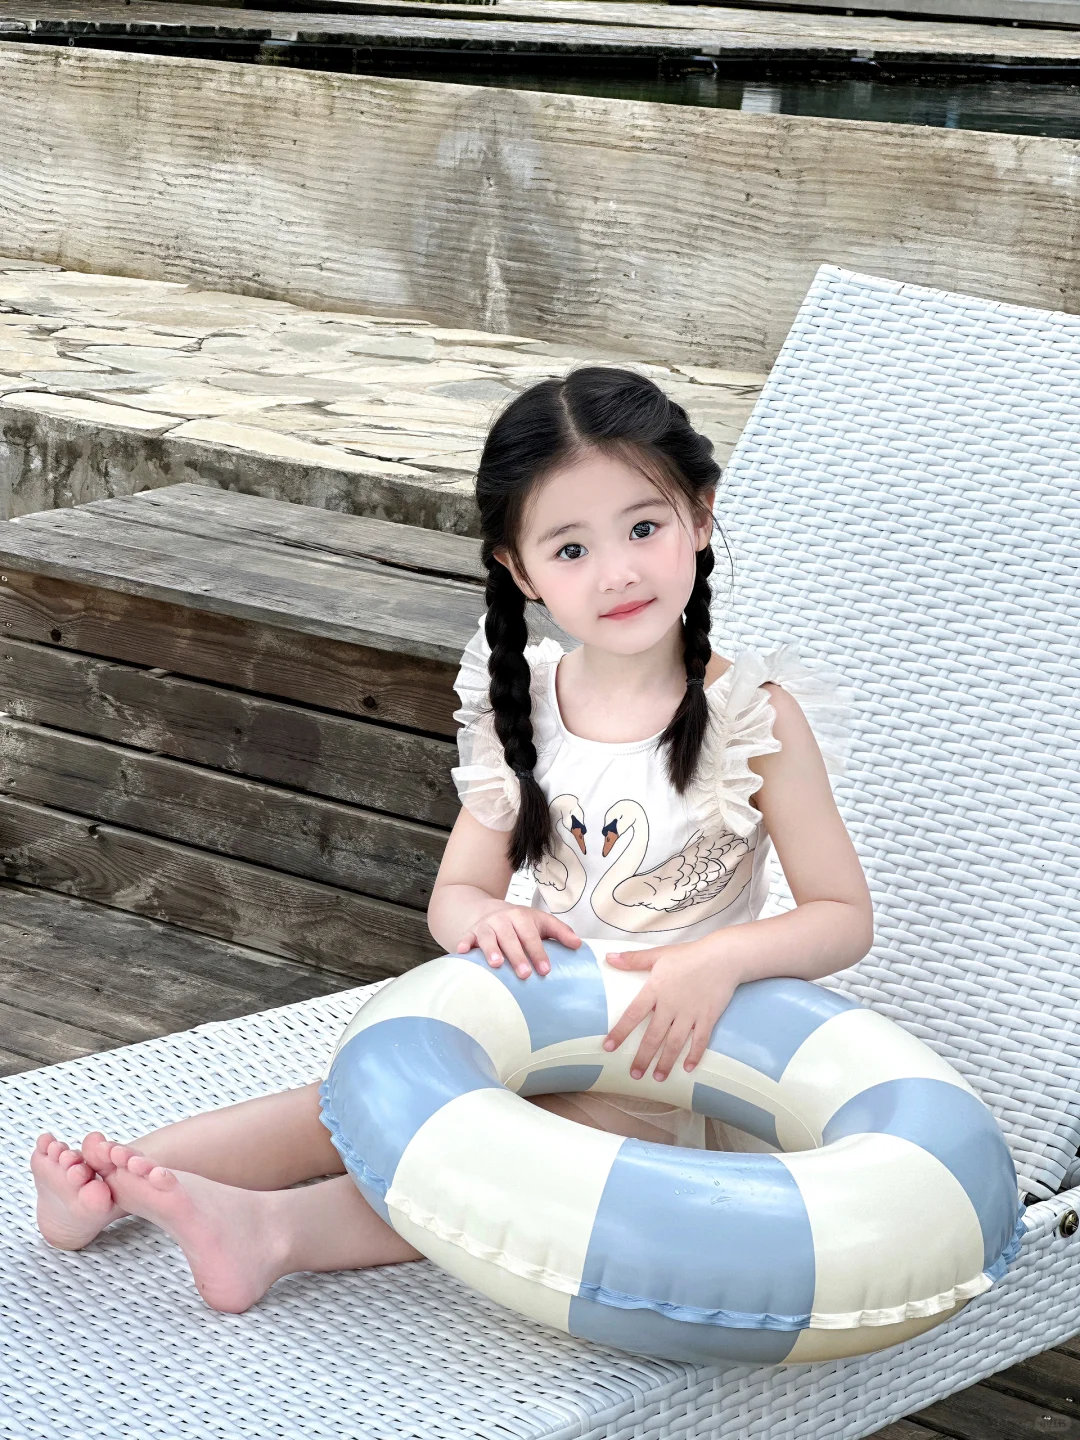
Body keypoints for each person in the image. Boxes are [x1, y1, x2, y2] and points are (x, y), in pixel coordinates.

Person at [29, 365, 873, 1315]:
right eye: (571, 548)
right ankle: (113, 1183)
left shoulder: (754, 717)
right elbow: (457, 895)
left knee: (510, 1149)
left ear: (701, 517)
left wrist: (719, 959)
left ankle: (274, 1232)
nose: (618, 571)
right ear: (520, 570)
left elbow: (843, 916)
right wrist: (485, 921)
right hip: (532, 1023)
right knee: (341, 1105)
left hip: (660, 1068)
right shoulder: (526, 708)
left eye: (644, 528)